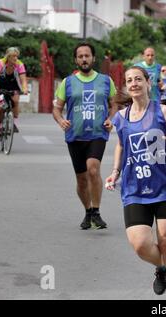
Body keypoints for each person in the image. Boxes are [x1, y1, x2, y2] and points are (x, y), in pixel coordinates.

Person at [105, 66, 166, 300]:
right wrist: (115, 171)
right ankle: (163, 267)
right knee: (140, 245)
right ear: (126, 86)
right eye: (129, 81)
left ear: (148, 83)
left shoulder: (163, 112)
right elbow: (122, 145)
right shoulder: (121, 118)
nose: (133, 83)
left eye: (138, 79)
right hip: (134, 189)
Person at [52, 43, 118, 230]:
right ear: (76, 60)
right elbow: (57, 108)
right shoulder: (67, 82)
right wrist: (61, 120)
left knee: (93, 169)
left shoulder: (106, 81)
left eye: (87, 55)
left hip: (98, 133)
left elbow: (114, 104)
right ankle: (88, 211)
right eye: (80, 56)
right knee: (81, 179)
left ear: (93, 58)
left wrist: (111, 119)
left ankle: (96, 212)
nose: (84, 59)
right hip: (75, 135)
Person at [0, 47, 28, 138]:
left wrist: (25, 88)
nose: (15, 58)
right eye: (13, 56)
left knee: (15, 101)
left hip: (13, 85)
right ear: (8, 56)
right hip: (1, 85)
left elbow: (23, 79)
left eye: (17, 56)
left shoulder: (19, 64)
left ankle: (14, 124)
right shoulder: (1, 63)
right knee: (0, 109)